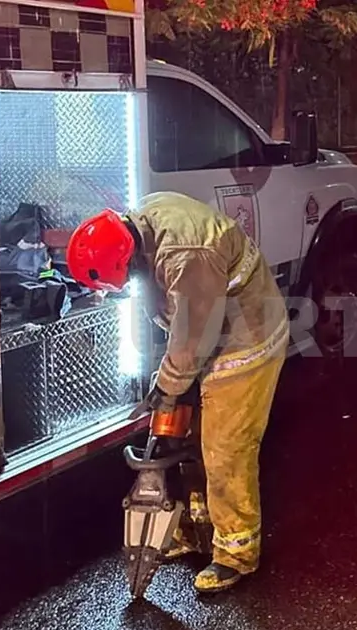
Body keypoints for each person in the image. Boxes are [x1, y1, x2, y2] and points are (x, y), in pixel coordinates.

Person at [66, 192, 289, 593]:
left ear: (122, 257)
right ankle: (195, 531)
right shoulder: (145, 223)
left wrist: (169, 385)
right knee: (188, 441)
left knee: (225, 450)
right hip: (211, 335)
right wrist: (174, 382)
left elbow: (192, 336)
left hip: (246, 342)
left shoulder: (188, 255)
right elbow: (178, 316)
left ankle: (235, 555)